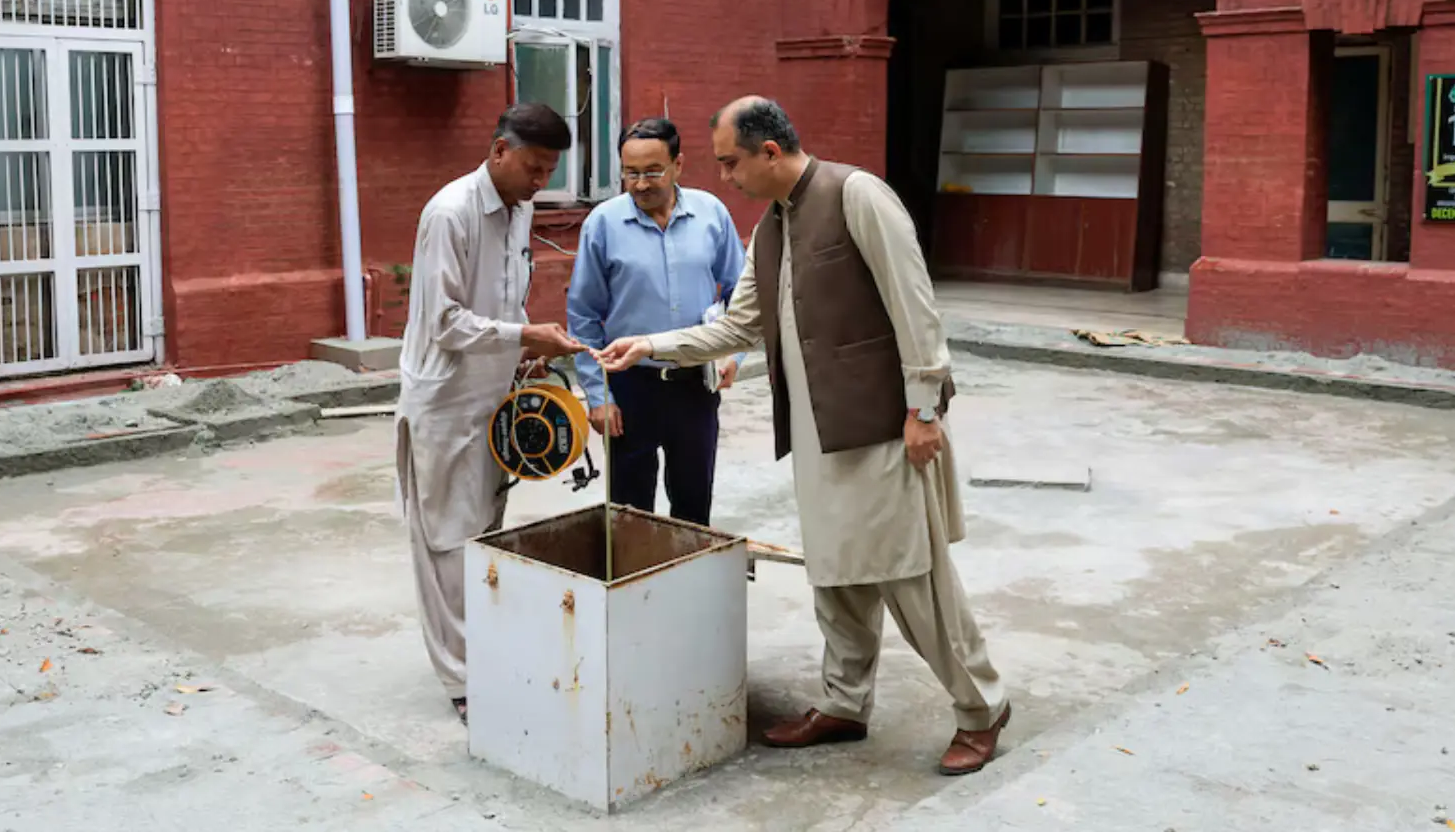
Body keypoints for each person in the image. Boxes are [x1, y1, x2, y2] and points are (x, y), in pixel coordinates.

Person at [594, 96, 1011, 776]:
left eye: (731, 162)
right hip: (820, 431)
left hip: (884, 426)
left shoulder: (858, 197)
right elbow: (736, 326)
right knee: (836, 573)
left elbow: (916, 304)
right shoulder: (773, 228)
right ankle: (845, 703)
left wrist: (924, 410)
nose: (724, 176)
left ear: (769, 152)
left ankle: (982, 708)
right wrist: (652, 345)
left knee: (912, 578)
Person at [394, 102, 587, 726]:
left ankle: (487, 654)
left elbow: (507, 296)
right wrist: (525, 338)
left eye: (550, 170)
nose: (540, 182)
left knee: (486, 532)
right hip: (445, 400)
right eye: (533, 167)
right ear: (500, 151)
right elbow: (444, 322)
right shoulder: (450, 213)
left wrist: (521, 356)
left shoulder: (520, 207)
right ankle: (460, 680)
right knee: (446, 540)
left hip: (494, 392)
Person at [567, 117, 747, 528]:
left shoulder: (711, 215)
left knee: (693, 508)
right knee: (629, 516)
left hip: (695, 388)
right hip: (631, 388)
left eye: (652, 172)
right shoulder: (603, 224)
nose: (641, 184)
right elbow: (583, 313)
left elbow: (740, 293)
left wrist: (732, 354)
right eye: (631, 173)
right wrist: (598, 396)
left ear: (678, 165)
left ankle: (686, 588)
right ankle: (634, 590)